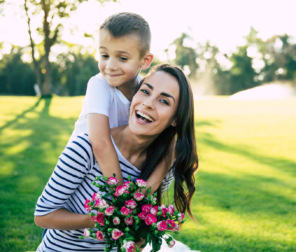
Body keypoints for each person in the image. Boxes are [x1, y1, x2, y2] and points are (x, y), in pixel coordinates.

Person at [34, 64, 198, 251]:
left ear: (175, 119)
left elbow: (138, 237)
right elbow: (43, 216)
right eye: (145, 91)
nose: (148, 103)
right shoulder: (85, 148)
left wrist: (138, 234)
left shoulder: (163, 164)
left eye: (164, 102)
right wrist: (102, 220)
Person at [69, 12, 170, 192]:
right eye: (104, 55)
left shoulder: (145, 90)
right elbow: (99, 142)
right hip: (80, 171)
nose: (110, 66)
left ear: (145, 61)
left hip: (112, 171)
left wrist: (141, 195)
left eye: (122, 58)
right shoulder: (99, 84)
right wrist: (122, 195)